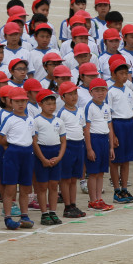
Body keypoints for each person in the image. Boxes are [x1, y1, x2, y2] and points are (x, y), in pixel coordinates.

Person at [0, 87, 36, 230]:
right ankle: (8, 217)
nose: (21, 104)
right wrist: (9, 146)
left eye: (23, 101)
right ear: (11, 102)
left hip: (27, 153)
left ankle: (24, 215)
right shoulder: (9, 119)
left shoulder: (31, 119)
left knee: (26, 187)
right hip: (13, 153)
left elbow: (32, 137)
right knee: (10, 187)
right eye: (17, 101)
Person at [32, 89, 66, 226]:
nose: (52, 107)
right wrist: (43, 159)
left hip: (55, 152)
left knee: (53, 185)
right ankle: (44, 213)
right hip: (42, 152)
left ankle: (53, 212)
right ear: (40, 104)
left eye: (53, 103)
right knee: (42, 186)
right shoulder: (36, 121)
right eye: (48, 104)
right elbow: (34, 141)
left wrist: (59, 157)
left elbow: (63, 141)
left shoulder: (59, 121)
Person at [107, 58, 133, 203]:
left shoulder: (129, 90)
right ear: (113, 74)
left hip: (129, 124)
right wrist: (112, 135)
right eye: (121, 73)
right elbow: (110, 116)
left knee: (126, 160)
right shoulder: (111, 92)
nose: (124, 76)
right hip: (117, 124)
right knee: (115, 161)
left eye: (126, 73)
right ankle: (116, 190)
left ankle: (124, 189)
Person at [83, 78, 115, 211]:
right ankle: (92, 200)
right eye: (97, 90)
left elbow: (110, 127)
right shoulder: (89, 107)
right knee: (93, 172)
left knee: (101, 172)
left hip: (104, 140)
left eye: (103, 90)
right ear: (91, 92)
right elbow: (87, 129)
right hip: (94, 139)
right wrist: (89, 148)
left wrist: (111, 146)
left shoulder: (107, 107)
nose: (100, 93)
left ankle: (99, 199)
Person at [57, 81, 87, 217]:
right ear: (62, 97)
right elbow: (58, 132)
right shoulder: (62, 113)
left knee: (74, 177)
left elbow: (83, 128)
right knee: (66, 178)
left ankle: (73, 204)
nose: (74, 97)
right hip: (68, 146)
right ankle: (67, 206)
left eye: (75, 93)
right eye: (70, 94)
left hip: (79, 145)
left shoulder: (80, 110)